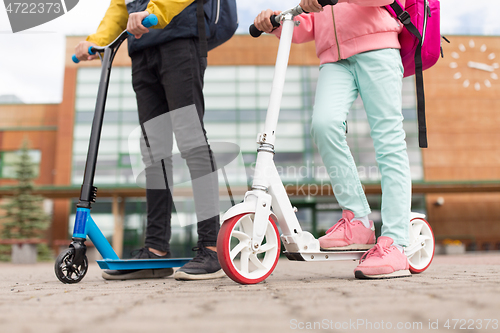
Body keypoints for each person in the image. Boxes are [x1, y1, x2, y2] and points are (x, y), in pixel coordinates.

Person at [254, 0, 412, 279]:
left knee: (389, 142)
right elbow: (314, 22)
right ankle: (358, 221)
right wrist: (278, 21)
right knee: (323, 125)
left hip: (377, 47)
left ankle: (396, 242)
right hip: (333, 58)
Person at [74, 0, 225, 281]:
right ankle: (156, 252)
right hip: (142, 51)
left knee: (191, 140)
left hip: (179, 40)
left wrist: (152, 13)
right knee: (153, 152)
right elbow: (121, 6)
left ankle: (211, 247)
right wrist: (97, 41)